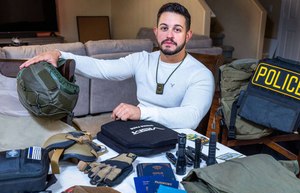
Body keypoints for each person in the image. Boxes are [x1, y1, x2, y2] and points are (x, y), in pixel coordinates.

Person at [20, 2, 214, 129]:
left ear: (188, 35)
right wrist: (59, 53)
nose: (169, 35)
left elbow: (191, 117)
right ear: (156, 32)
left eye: (177, 29)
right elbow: (102, 68)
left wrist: (141, 112)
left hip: (177, 138)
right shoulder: (142, 59)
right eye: (164, 28)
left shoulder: (201, 74)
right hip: (140, 128)